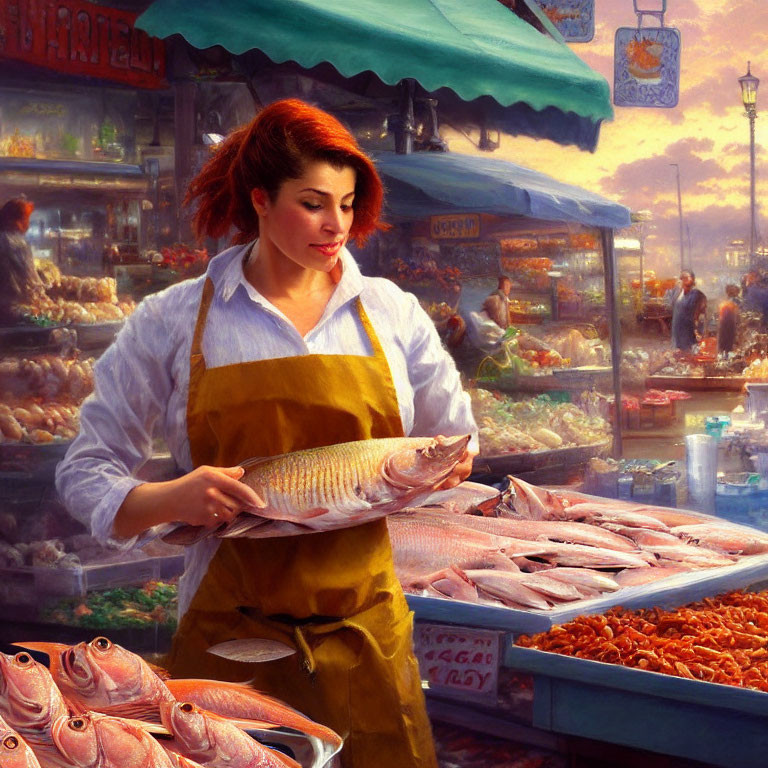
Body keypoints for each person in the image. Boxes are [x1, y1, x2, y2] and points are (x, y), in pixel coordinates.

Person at [55, 99, 477, 768]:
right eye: (313, 203)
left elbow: (456, 439)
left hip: (366, 636)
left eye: (347, 203)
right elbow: (87, 468)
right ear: (259, 200)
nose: (336, 225)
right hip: (229, 640)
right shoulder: (174, 320)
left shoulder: (391, 312)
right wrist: (173, 498)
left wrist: (446, 466)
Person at [670, 269, 707, 351]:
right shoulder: (678, 293)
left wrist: (699, 331)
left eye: (687, 277)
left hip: (689, 330)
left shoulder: (697, 294)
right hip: (677, 329)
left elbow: (701, 316)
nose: (684, 279)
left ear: (693, 279)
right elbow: (672, 306)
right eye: (682, 277)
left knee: (689, 353)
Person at [718, 284, 741, 355]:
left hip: (730, 324)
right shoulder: (726, 302)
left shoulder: (736, 301)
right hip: (726, 325)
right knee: (726, 342)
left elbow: (738, 313)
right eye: (730, 290)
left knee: (728, 343)